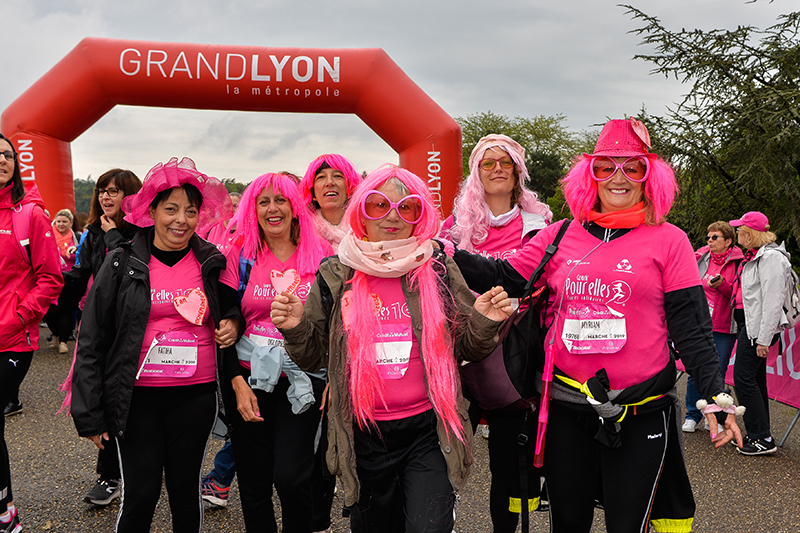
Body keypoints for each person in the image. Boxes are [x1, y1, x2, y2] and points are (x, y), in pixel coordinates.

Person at [452, 118, 743, 532]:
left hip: (641, 410)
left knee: (628, 524)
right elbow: (505, 275)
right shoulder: (560, 235)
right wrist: (441, 251)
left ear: (649, 177)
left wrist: (715, 392)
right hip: (567, 410)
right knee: (568, 523)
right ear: (590, 175)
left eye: (632, 167)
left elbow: (690, 327)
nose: (618, 178)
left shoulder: (670, 240)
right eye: (606, 167)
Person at [272, 165, 513, 533]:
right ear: (361, 215)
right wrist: (296, 329)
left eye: (406, 208)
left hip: (428, 432)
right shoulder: (337, 275)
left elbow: (467, 348)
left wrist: (484, 320)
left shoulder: (437, 268)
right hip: (366, 435)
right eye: (378, 206)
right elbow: (317, 357)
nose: (392, 217)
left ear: (419, 216)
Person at [70, 157, 241, 533]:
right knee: (141, 494)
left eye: (191, 211)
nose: (181, 220)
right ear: (152, 211)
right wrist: (90, 413)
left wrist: (233, 323)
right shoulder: (119, 263)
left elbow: (231, 310)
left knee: (184, 492)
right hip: (137, 399)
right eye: (171, 209)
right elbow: (92, 340)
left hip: (194, 397)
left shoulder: (212, 261)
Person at [440, 134, 552, 531]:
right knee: (443, 458)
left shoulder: (541, 225)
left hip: (516, 358)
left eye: (506, 162)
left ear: (519, 171)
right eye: (488, 163)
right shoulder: (452, 228)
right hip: (462, 352)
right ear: (476, 172)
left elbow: (536, 284)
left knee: (510, 466)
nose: (498, 169)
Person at [219, 172, 333, 532]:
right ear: (254, 210)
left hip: (304, 380)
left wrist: (336, 377)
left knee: (291, 478)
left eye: (280, 200)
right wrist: (235, 382)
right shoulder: (241, 254)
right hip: (249, 380)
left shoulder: (323, 255)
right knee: (253, 484)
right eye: (263, 201)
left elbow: (340, 323)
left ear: (295, 207)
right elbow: (223, 322)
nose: (273, 208)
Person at [57, 168, 142, 506]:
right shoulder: (92, 231)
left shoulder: (141, 232)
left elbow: (128, 268)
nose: (106, 197)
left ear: (130, 197)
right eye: (102, 190)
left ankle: (132, 469)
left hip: (132, 327)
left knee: (130, 402)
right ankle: (109, 476)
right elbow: (82, 273)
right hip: (99, 324)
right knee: (102, 398)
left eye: (115, 191)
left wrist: (111, 238)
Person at [0, 132, 64, 533]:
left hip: (11, 339)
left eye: (6, 155)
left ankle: (5, 515)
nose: (1, 160)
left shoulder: (31, 215)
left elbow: (51, 278)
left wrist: (18, 317)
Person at [730, 211, 793, 455]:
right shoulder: (759, 256)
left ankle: (762, 438)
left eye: (740, 230)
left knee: (743, 379)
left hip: (758, 330)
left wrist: (764, 339)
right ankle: (760, 434)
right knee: (755, 380)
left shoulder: (771, 259)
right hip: (753, 327)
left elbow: (773, 302)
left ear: (751, 233)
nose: (737, 233)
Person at [682, 221, 743, 432]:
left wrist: (723, 287)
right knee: (695, 371)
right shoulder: (701, 257)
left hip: (724, 326)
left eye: (715, 237)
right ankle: (692, 415)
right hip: (700, 323)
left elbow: (740, 296)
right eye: (708, 237)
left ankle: (714, 414)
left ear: (728, 241)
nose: (710, 241)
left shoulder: (739, 261)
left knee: (717, 371)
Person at [299, 154, 362, 252]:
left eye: (337, 176)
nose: (329, 182)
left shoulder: (366, 227)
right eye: (321, 177)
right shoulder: (301, 233)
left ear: (349, 188)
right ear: (313, 193)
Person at [47, 209, 79, 354]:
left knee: (66, 310)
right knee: (50, 311)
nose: (61, 224)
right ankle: (55, 333)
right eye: (58, 221)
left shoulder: (77, 237)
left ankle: (63, 341)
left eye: (64, 221)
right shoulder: (47, 236)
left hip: (70, 279)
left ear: (71, 223)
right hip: (51, 278)